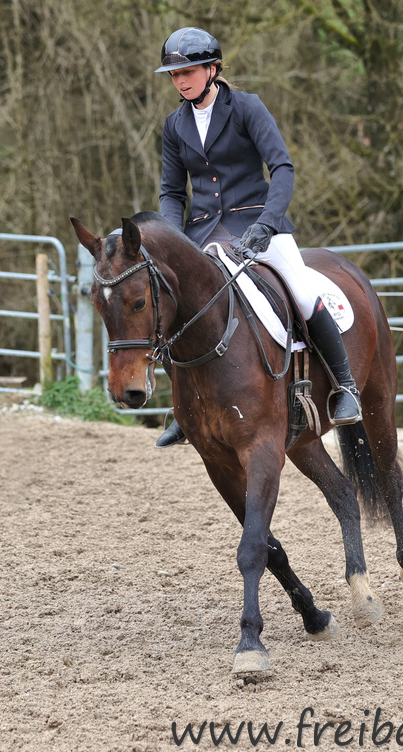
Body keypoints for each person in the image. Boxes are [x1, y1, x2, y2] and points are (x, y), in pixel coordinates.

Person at [153, 26, 362, 447]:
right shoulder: (175, 125)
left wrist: (267, 222)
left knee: (302, 292)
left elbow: (281, 167)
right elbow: (172, 192)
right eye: (174, 75)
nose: (180, 81)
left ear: (213, 70)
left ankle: (345, 387)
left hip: (258, 224)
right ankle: (183, 408)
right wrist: (173, 239)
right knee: (171, 305)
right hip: (203, 233)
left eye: (187, 72)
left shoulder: (247, 107)